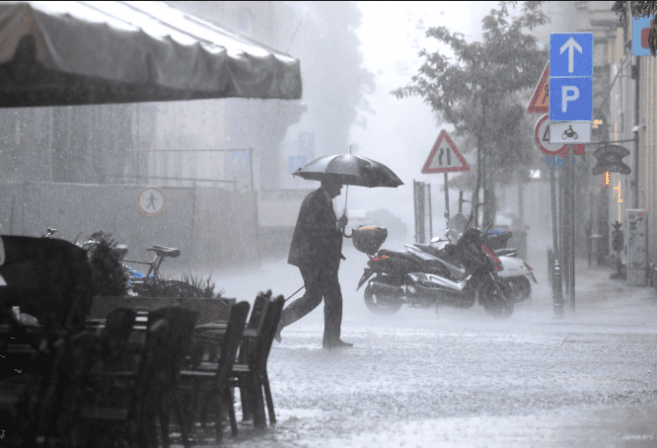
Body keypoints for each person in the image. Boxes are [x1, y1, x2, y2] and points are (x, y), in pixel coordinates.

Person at [275, 177, 352, 349]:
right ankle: (330, 338)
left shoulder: (323, 200)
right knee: (327, 296)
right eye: (339, 185)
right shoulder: (314, 201)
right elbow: (314, 230)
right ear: (330, 184)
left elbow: (323, 231)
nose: (340, 190)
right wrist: (336, 225)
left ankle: (279, 322)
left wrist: (336, 229)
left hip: (319, 259)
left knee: (318, 297)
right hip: (313, 259)